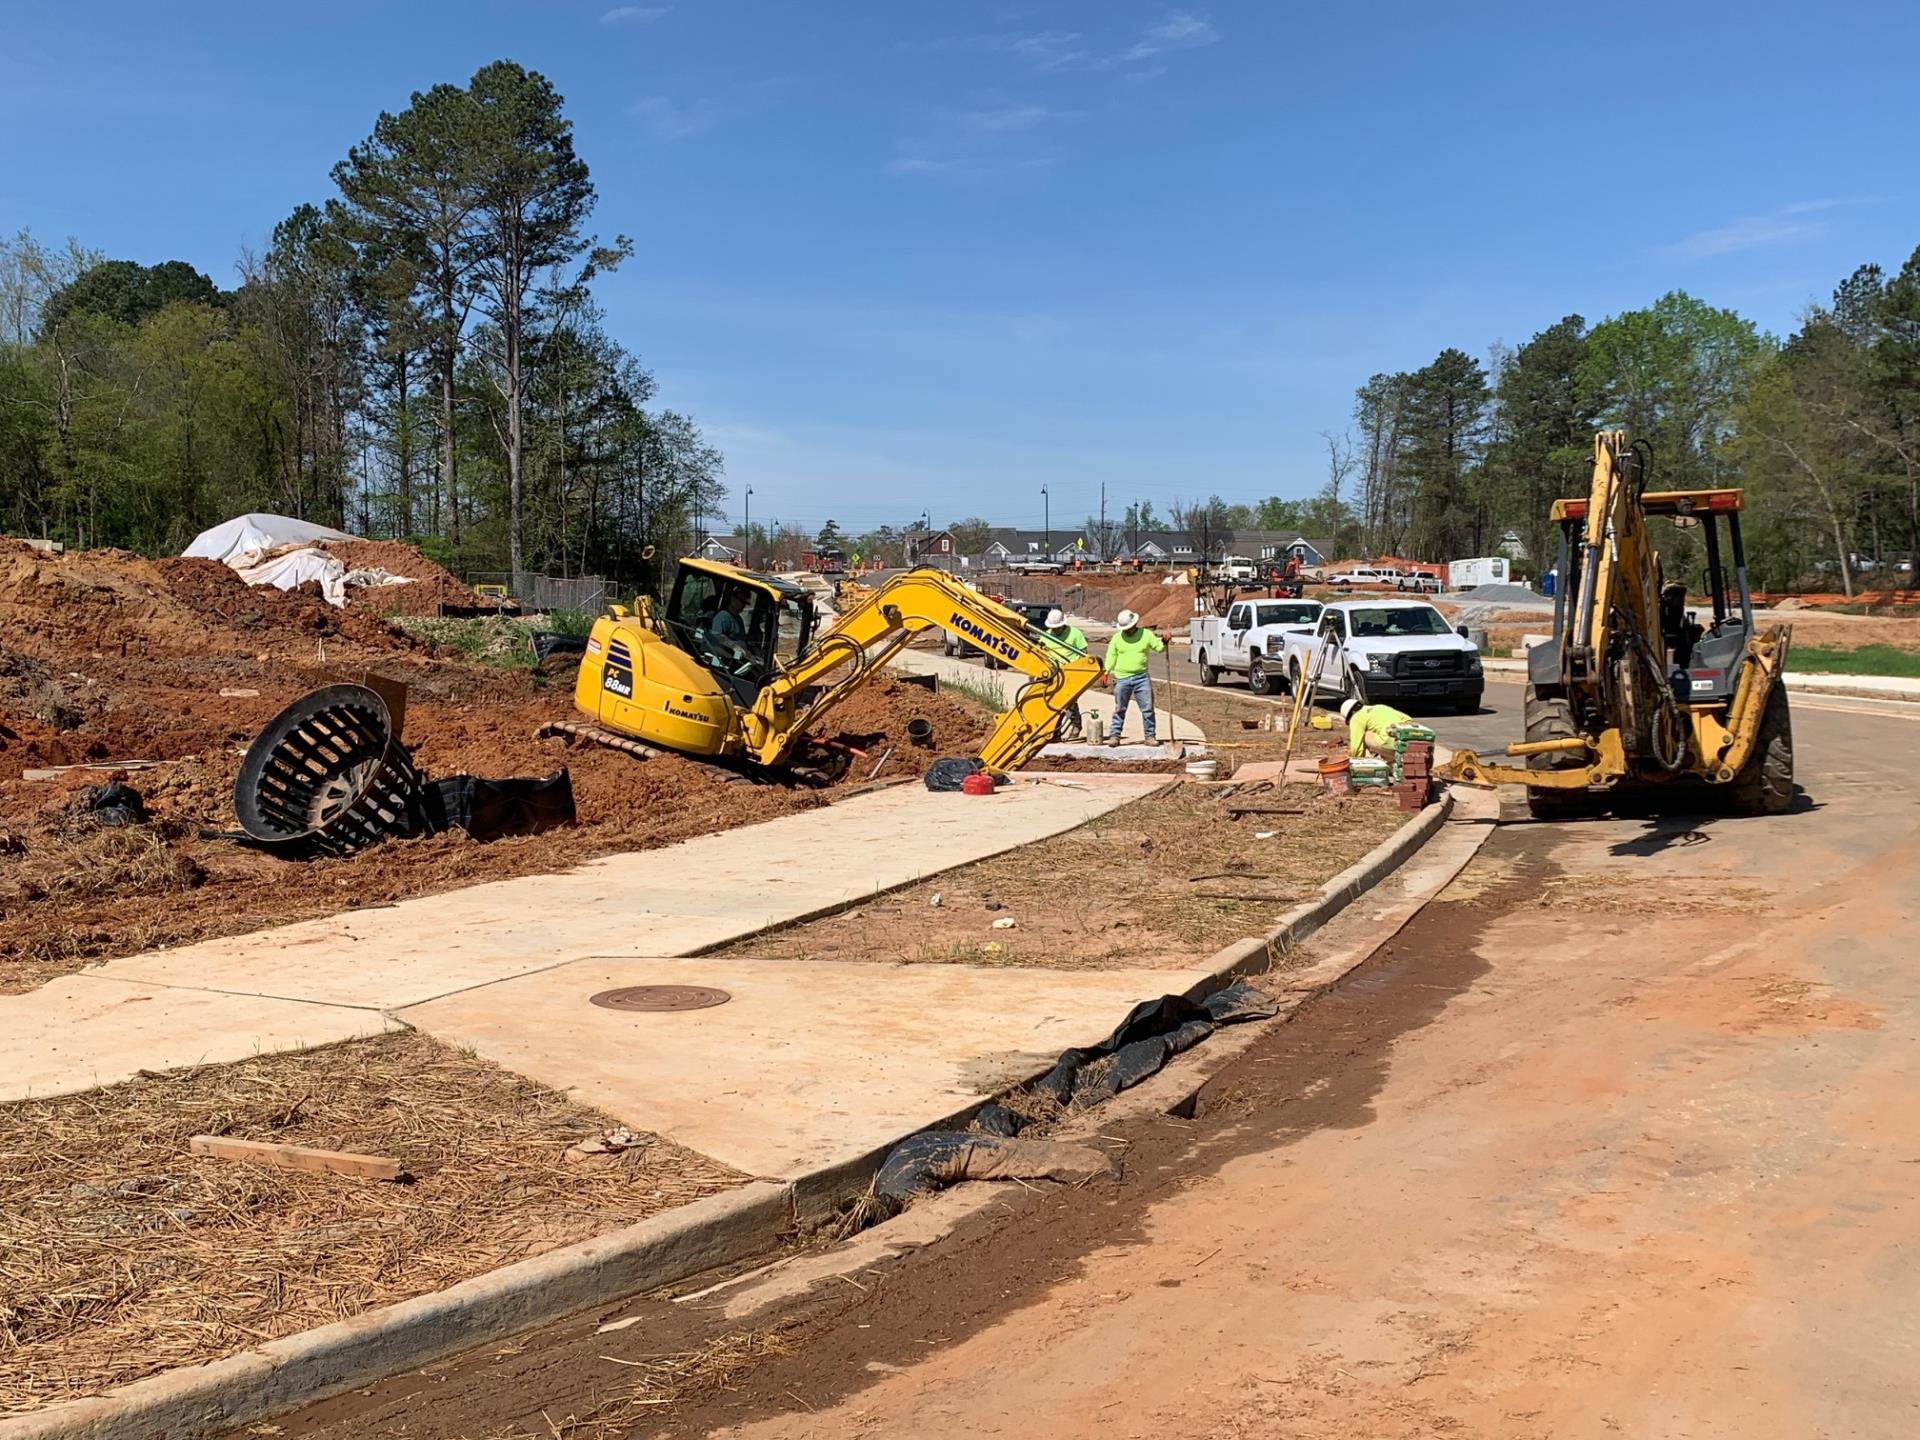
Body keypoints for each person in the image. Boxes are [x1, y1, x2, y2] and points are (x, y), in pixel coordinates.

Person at [1101, 608, 1165, 744]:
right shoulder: (1117, 638)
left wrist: (1164, 641)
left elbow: (1159, 648)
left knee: (1147, 709)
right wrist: (1106, 671)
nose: (1127, 630)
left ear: (1135, 624)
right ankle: (1115, 736)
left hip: (1141, 678)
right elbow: (1111, 656)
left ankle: (1150, 736)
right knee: (1120, 708)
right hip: (1122, 678)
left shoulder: (1146, 635)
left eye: (1129, 628)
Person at [1039, 608, 1089, 739]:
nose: (1056, 630)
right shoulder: (1045, 635)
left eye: (1058, 627)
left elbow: (1084, 653)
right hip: (1053, 673)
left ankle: (1076, 724)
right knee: (1052, 703)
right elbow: (1041, 653)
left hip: (1071, 672)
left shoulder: (1075, 634)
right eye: (1054, 628)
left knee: (1069, 701)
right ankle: (1054, 730)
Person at [1342, 694, 1412, 759]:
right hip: (1410, 741)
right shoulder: (1379, 707)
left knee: (1366, 735)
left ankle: (1393, 757)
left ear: (1350, 714)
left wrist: (1355, 761)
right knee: (1379, 733)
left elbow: (1356, 746)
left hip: (1394, 746)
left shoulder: (1356, 718)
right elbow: (1408, 720)